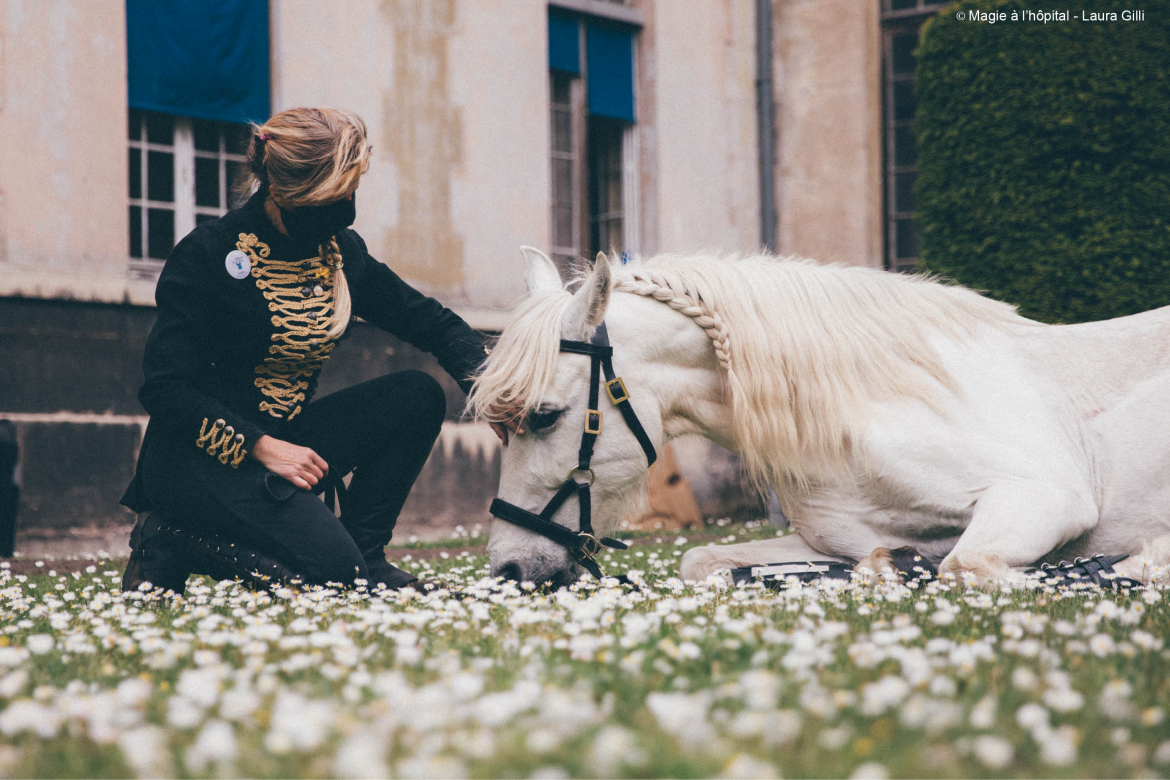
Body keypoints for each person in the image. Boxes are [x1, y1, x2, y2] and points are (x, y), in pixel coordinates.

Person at [120, 107, 493, 594]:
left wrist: (495, 389)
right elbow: (165, 390)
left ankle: (368, 555)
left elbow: (428, 321)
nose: (343, 212)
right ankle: (166, 536)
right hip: (197, 463)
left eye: (349, 196)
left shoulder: (339, 254)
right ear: (282, 190)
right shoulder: (208, 253)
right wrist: (262, 447)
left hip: (286, 442)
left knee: (418, 396)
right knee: (333, 576)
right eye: (329, 200)